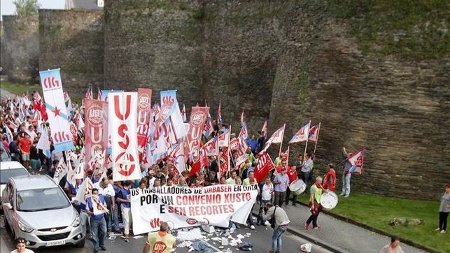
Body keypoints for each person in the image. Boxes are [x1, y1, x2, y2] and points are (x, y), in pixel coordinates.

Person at [86, 188, 108, 253]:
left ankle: (101, 244)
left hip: (101, 218)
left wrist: (104, 208)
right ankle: (96, 247)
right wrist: (92, 213)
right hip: (94, 219)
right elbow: (87, 210)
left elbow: (105, 206)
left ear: (98, 193)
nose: (95, 195)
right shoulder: (89, 200)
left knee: (104, 232)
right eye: (94, 193)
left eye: (96, 193)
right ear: (92, 194)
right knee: (94, 234)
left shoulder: (101, 198)